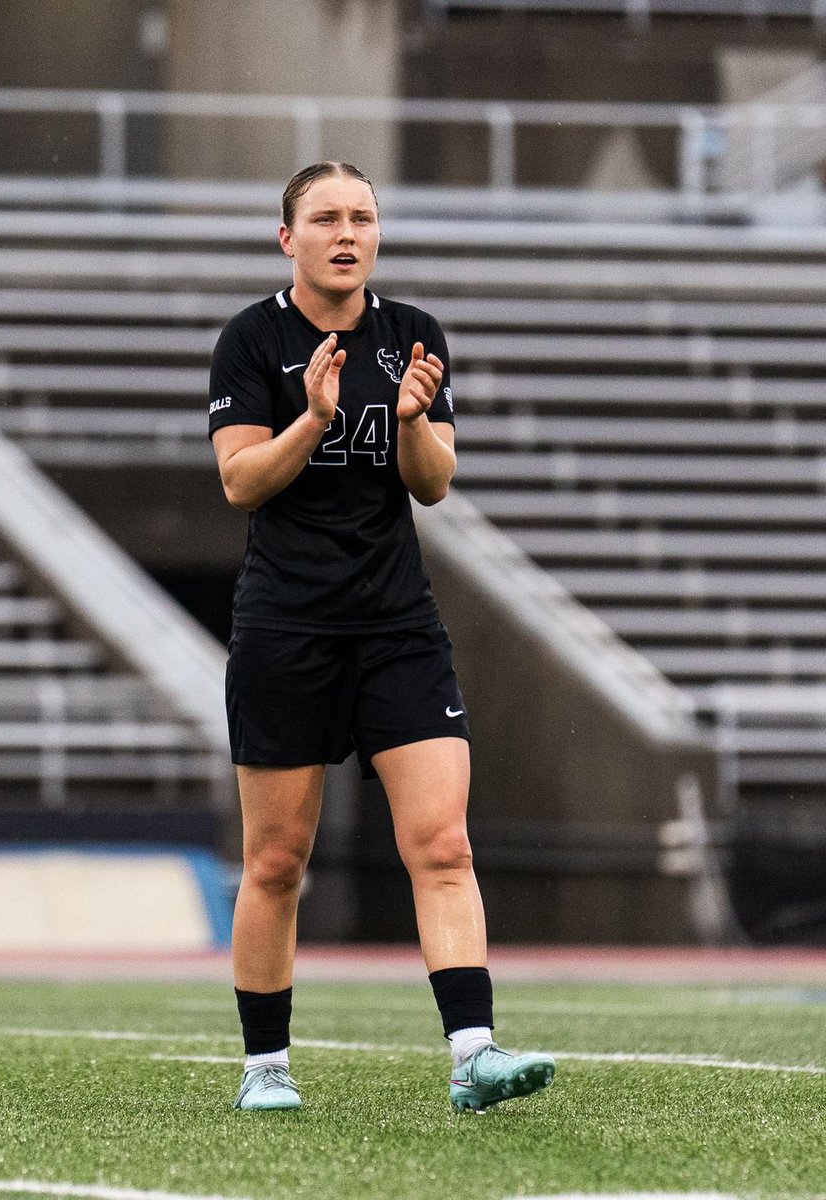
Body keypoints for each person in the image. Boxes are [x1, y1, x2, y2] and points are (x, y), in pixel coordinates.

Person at [208, 160, 555, 1114]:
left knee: (443, 844)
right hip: (286, 626)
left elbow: (434, 482)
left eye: (362, 215)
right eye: (325, 217)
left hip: (397, 624)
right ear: (290, 239)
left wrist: (408, 420)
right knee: (277, 861)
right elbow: (241, 482)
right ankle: (266, 1069)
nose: (346, 231)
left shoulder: (413, 335)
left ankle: (473, 1056)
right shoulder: (252, 340)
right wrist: (314, 420)